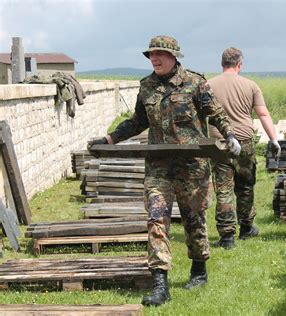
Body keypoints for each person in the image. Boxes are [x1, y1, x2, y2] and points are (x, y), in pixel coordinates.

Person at [88, 35, 240, 306]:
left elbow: (216, 113)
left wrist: (230, 135)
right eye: (151, 55)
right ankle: (160, 283)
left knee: (194, 219)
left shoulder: (195, 82)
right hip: (159, 166)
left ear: (173, 56)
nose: (154, 59)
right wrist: (109, 139)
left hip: (192, 167)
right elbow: (137, 122)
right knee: (156, 218)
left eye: (159, 54)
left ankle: (198, 268)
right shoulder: (146, 87)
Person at [207, 47, 280, 249]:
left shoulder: (208, 85)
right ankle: (246, 227)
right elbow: (263, 114)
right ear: (240, 64)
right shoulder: (251, 85)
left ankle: (227, 235)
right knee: (245, 186)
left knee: (223, 189)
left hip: (218, 143)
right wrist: (273, 139)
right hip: (245, 141)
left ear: (222, 63)